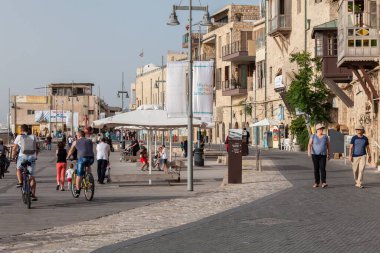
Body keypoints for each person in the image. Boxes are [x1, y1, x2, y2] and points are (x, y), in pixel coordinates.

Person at [12, 124, 39, 201]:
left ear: (21, 130)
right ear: (28, 129)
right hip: (32, 157)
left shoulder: (19, 136)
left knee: (18, 169)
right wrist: (35, 156)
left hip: (22, 157)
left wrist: (13, 157)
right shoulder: (34, 136)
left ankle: (20, 182)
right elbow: (37, 148)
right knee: (32, 176)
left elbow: (14, 148)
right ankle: (33, 194)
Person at [66, 130, 94, 198]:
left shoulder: (75, 142)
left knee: (79, 174)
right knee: (88, 165)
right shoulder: (90, 141)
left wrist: (67, 157)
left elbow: (71, 151)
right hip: (91, 158)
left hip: (82, 158)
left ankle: (77, 190)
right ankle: (89, 178)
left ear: (79, 136)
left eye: (76, 136)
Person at [308, 123, 331, 188]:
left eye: (322, 129)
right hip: (314, 155)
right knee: (316, 168)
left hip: (323, 155)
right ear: (317, 129)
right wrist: (309, 152)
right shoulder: (313, 136)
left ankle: (323, 182)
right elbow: (309, 144)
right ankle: (316, 182)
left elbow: (328, 145)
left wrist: (329, 154)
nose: (321, 130)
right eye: (320, 129)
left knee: (323, 168)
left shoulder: (325, 136)